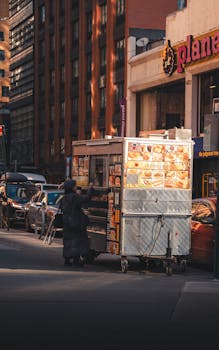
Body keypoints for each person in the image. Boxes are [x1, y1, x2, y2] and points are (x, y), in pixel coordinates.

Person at [61, 179, 94, 267]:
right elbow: (86, 198)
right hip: (76, 222)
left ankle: (67, 260)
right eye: (75, 186)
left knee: (68, 241)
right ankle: (76, 261)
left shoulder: (64, 197)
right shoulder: (74, 197)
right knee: (78, 241)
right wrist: (90, 188)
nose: (76, 187)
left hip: (67, 222)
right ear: (71, 187)